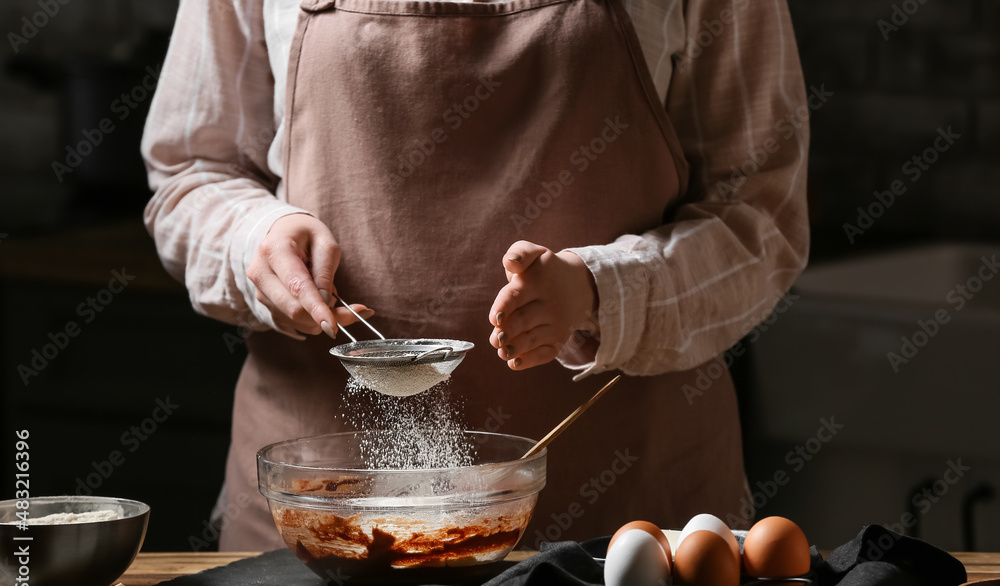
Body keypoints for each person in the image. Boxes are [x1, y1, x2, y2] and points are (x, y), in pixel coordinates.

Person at [142, 0, 809, 551]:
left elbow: (761, 212)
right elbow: (190, 170)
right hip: (319, 526)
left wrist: (604, 290)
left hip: (629, 520)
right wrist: (251, 239)